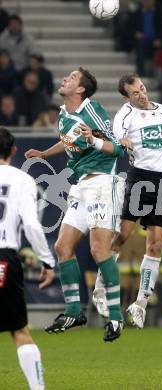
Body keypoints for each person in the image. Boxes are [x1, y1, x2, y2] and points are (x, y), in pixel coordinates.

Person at [25, 67, 125, 342]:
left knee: (98, 248)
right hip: (81, 185)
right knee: (61, 247)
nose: (65, 79)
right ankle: (73, 311)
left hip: (103, 182)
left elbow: (116, 147)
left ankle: (114, 317)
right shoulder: (62, 114)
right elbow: (68, 141)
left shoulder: (91, 110)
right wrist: (45, 153)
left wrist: (93, 138)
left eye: (71, 78)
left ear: (80, 89)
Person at [93, 74, 162, 329]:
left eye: (142, 89)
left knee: (156, 245)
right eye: (135, 93)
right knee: (122, 236)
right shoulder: (124, 116)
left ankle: (140, 304)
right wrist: (122, 141)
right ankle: (100, 287)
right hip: (140, 179)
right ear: (126, 97)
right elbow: (115, 141)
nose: (142, 95)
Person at [0, 127, 55, 390]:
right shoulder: (22, 180)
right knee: (19, 330)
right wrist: (47, 261)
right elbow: (32, 226)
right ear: (13, 151)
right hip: (4, 257)